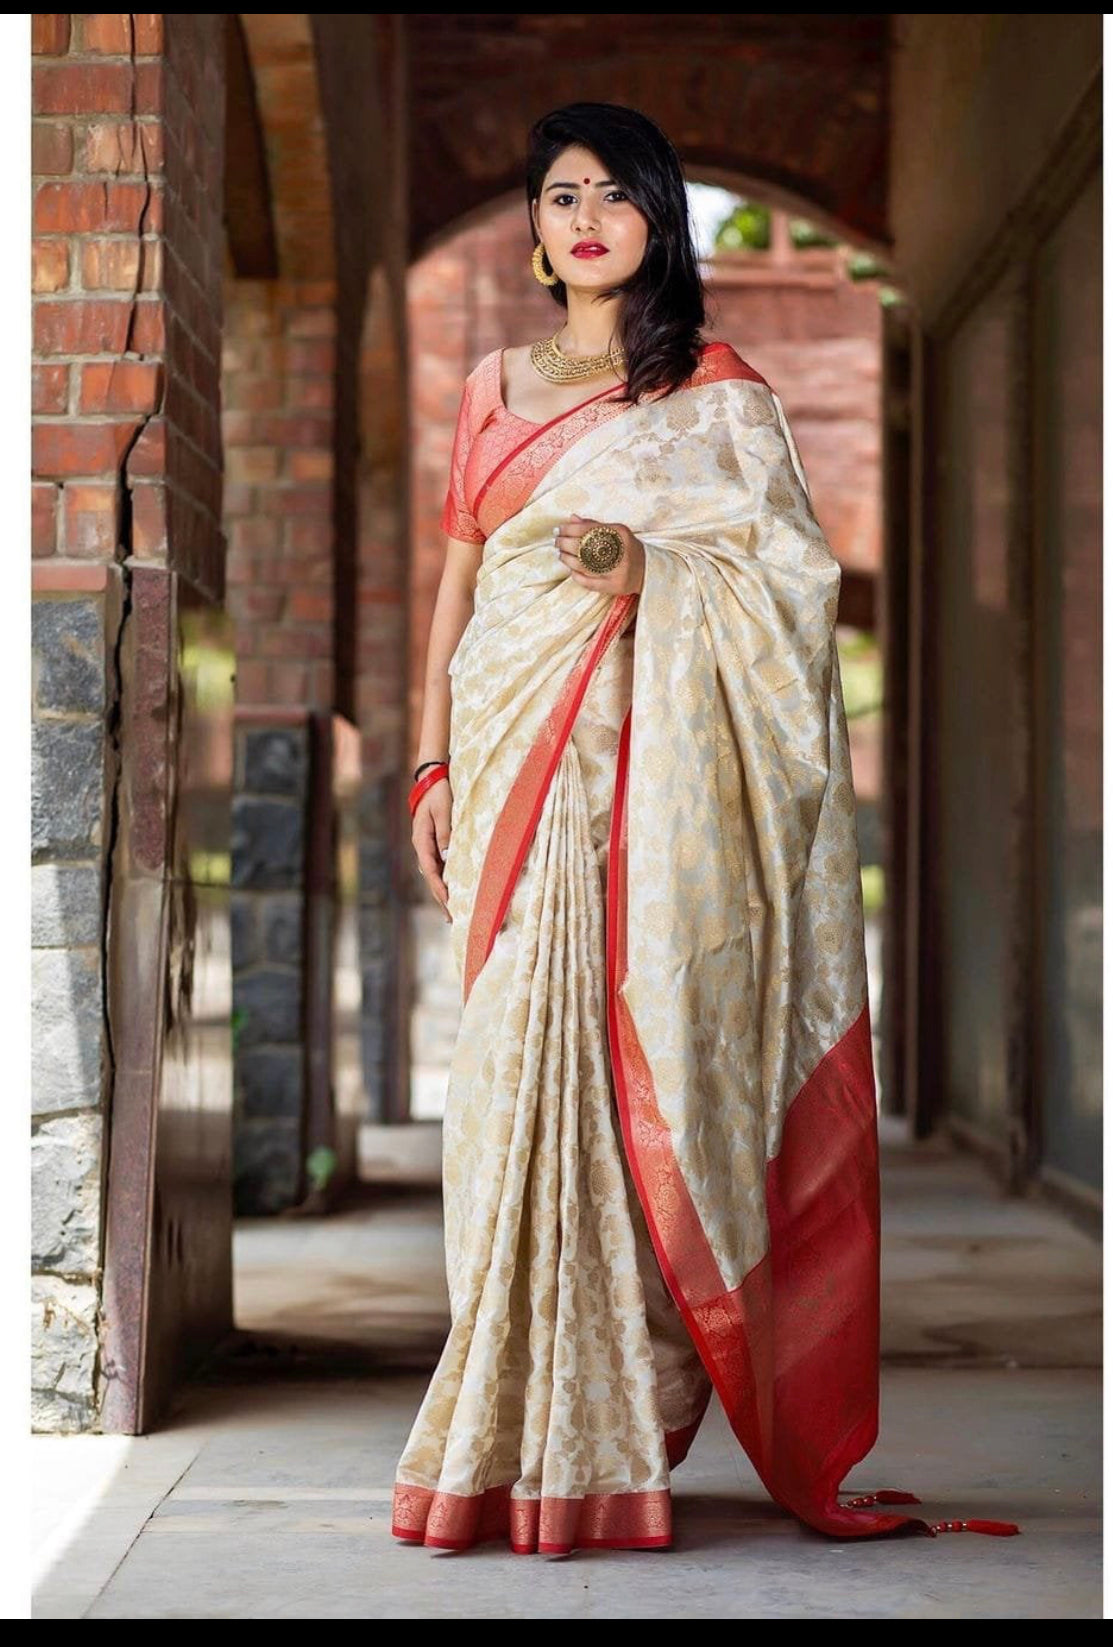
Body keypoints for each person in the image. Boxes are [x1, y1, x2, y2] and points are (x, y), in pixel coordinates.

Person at [392, 102, 1019, 1557]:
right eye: (560, 195)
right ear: (535, 230)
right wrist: (427, 762)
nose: (587, 217)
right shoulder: (492, 383)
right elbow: (460, 583)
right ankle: (491, 1422)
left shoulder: (717, 393)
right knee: (500, 1105)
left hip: (646, 806)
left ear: (660, 220)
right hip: (506, 774)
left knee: (630, 1097)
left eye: (617, 193)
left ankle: (606, 1438)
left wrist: (644, 558)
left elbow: (788, 588)